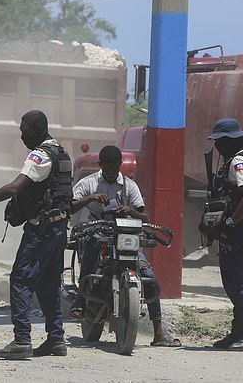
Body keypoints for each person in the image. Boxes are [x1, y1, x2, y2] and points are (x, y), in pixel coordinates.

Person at [0, 109, 72, 359]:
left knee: (20, 279)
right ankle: (56, 339)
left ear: (38, 130)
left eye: (24, 132)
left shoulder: (41, 155)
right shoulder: (62, 153)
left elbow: (15, 187)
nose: (21, 136)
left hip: (42, 229)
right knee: (49, 283)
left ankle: (21, 340)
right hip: (59, 228)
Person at [69, 145, 180, 347]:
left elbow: (144, 216)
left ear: (120, 165)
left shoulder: (130, 186)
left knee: (150, 278)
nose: (112, 172)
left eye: (115, 168)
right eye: (108, 168)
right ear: (100, 165)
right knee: (93, 243)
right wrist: (91, 198)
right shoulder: (89, 183)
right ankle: (80, 299)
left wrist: (130, 210)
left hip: (126, 235)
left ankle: (159, 333)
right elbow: (70, 205)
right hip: (99, 230)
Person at [207, 118, 243, 350]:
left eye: (220, 141)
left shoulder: (238, 161)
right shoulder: (237, 159)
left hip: (237, 231)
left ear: (229, 141)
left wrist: (229, 221)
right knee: (238, 281)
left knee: (234, 282)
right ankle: (238, 331)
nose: (217, 146)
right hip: (239, 230)